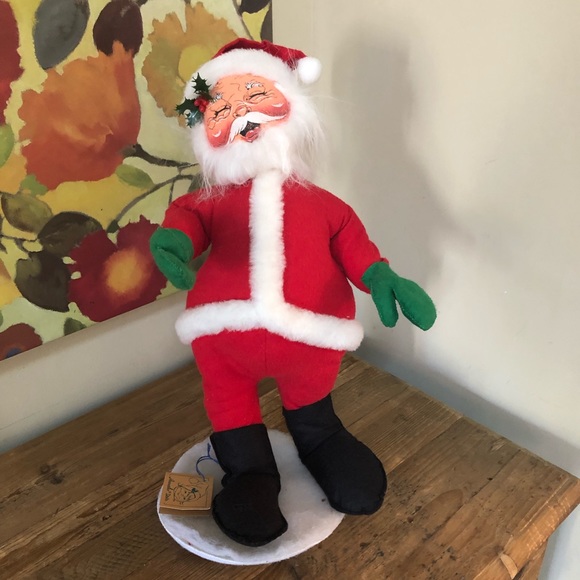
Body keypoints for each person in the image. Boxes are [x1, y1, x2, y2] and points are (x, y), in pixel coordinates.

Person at [150, 38, 436, 547]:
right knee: (230, 403)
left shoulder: (325, 205)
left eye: (254, 95)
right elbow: (186, 220)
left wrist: (381, 277)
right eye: (223, 107)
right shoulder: (209, 203)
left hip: (311, 337)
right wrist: (173, 242)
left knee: (311, 403)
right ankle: (250, 471)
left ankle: (321, 438)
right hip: (223, 336)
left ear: (290, 105)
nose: (241, 115)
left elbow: (356, 248)